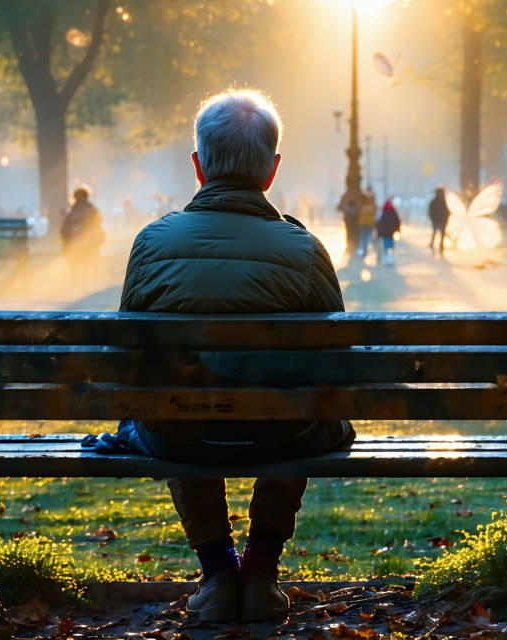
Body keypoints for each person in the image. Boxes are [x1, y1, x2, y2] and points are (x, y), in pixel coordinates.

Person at [114, 89, 351, 622]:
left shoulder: (152, 243)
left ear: (198, 166)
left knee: (173, 401)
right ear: (271, 171)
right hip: (282, 433)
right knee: (306, 403)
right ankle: (261, 572)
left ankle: (220, 574)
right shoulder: (305, 250)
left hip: (179, 432)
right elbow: (337, 363)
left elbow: (132, 358)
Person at [61, 186, 106, 286]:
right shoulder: (90, 207)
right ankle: (93, 270)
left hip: (82, 239)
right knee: (94, 247)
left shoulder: (75, 208)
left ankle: (76, 274)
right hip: (87, 239)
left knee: (68, 251)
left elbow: (66, 226)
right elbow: (99, 220)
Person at [375, 196, 401, 266]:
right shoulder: (393, 211)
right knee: (390, 244)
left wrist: (378, 232)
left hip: (384, 232)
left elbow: (378, 223)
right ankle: (390, 257)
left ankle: (387, 257)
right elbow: (398, 221)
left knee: (386, 245)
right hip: (390, 232)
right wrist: (397, 230)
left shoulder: (382, 212)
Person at [428, 185, 450, 255]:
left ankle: (436, 246)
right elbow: (447, 212)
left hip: (439, 221)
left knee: (436, 233)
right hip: (440, 221)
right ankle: (440, 247)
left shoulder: (435, 202)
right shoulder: (442, 202)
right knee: (440, 234)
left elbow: (431, 212)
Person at [355, 189, 377, 258]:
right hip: (364, 222)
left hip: (368, 222)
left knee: (368, 237)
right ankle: (364, 250)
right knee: (364, 237)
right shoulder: (364, 201)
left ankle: (369, 251)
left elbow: (375, 210)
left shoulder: (371, 201)